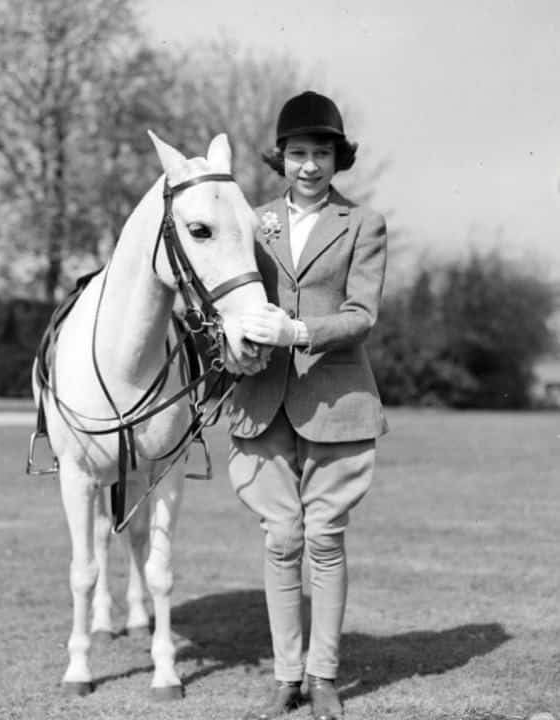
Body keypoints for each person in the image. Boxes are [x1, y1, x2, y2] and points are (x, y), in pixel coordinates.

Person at [227, 90, 388, 720]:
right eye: (298, 153)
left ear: (338, 158)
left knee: (324, 538)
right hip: (261, 398)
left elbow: (362, 315)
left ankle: (323, 677)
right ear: (282, 158)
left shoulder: (363, 224)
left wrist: (298, 332)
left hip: (336, 398)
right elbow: (228, 302)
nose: (310, 166)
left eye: (322, 153)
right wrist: (234, 345)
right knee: (281, 538)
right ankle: (285, 675)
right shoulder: (252, 220)